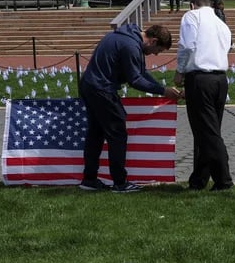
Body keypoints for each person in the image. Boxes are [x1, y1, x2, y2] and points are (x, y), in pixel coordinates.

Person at [78, 23, 182, 193]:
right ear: (153, 40)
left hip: (90, 85)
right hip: (102, 90)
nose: (155, 54)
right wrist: (163, 91)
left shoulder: (124, 37)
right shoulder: (131, 46)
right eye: (158, 50)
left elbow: (140, 72)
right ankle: (120, 182)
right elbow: (136, 80)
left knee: (95, 134)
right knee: (117, 134)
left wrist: (162, 89)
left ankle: (89, 179)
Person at [173, 0, 234, 191]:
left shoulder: (191, 17)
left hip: (200, 77)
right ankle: (199, 178)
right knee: (207, 130)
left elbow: (187, 45)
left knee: (207, 132)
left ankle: (223, 179)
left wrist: (179, 71)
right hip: (220, 78)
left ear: (193, 5)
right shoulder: (222, 24)